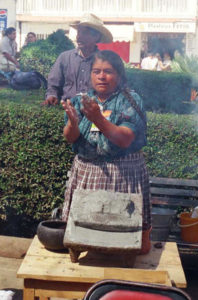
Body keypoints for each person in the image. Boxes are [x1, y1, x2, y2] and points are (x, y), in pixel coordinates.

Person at [61, 50, 151, 254]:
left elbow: (125, 138)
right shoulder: (81, 100)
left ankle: (126, 256)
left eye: (108, 71)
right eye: (97, 71)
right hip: (87, 171)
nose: (102, 76)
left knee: (123, 229)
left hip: (122, 172)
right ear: (90, 75)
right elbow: (70, 137)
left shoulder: (129, 100)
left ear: (119, 75)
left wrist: (98, 119)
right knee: (86, 227)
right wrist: (73, 124)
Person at [41, 13, 113, 106]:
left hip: (94, 111)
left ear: (96, 37)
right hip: (67, 108)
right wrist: (51, 96)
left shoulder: (105, 61)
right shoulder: (64, 58)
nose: (79, 37)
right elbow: (53, 84)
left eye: (85, 33)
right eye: (79, 32)